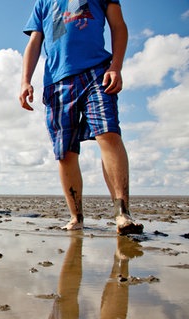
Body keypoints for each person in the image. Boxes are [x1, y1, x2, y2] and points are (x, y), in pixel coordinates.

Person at [19, 0, 143, 235]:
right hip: (56, 82)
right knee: (65, 152)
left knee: (108, 133)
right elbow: (35, 42)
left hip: (97, 71)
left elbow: (118, 26)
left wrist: (116, 66)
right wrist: (25, 80)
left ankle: (122, 213)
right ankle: (76, 217)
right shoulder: (44, 3)